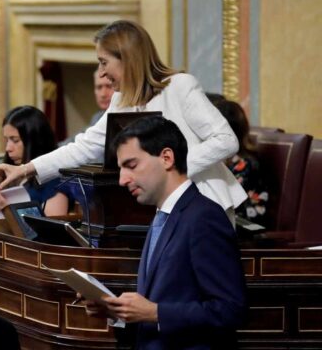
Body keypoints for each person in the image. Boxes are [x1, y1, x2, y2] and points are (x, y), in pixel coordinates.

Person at [0, 20, 247, 223]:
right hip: (158, 209)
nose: (103, 73)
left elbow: (226, 141)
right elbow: (84, 147)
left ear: (127, 58)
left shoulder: (180, 86)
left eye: (104, 62)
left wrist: (171, 168)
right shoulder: (122, 99)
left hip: (206, 206)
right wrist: (26, 169)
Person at [83, 116, 246, 348]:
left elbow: (231, 310)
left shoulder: (204, 217)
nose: (121, 180)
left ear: (167, 158)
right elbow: (165, 295)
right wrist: (116, 311)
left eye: (131, 165)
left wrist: (156, 313)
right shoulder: (163, 214)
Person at [0, 106, 68, 216]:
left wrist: (6, 209)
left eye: (15, 140)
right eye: (7, 140)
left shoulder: (54, 181)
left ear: (35, 141)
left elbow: (51, 230)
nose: (8, 148)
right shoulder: (7, 176)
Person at [214, 99, 268, 225]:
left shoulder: (245, 164)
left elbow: (227, 204)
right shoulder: (222, 158)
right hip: (223, 224)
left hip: (245, 226)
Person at [60, 71, 115, 147]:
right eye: (99, 87)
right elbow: (77, 140)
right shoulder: (98, 117)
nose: (103, 94)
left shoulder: (124, 118)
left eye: (109, 86)